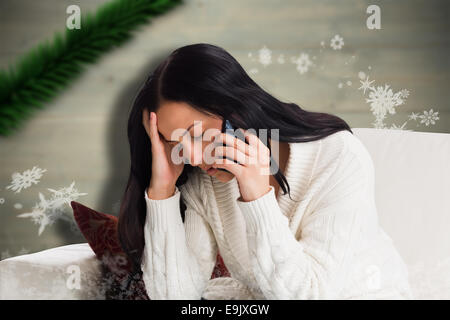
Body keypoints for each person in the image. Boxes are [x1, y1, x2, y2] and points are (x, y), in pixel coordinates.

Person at [117, 43, 413, 300]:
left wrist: (257, 196)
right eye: (173, 141)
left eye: (196, 134)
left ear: (236, 110)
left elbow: (311, 294)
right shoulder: (203, 182)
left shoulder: (338, 157)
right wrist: (163, 188)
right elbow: (175, 296)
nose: (192, 157)